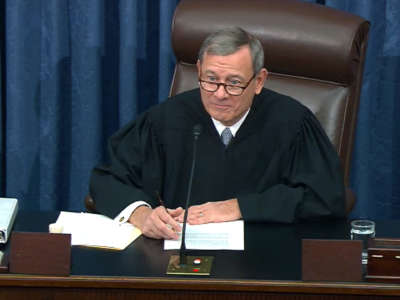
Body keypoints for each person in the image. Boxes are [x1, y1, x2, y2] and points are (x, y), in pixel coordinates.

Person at [89, 27, 345, 240]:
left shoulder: (292, 122)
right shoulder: (165, 119)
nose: (219, 94)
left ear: (258, 81)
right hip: (177, 257)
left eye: (234, 83)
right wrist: (142, 215)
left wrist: (239, 207)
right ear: (199, 71)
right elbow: (108, 179)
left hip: (267, 257)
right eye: (210, 79)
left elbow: (326, 197)